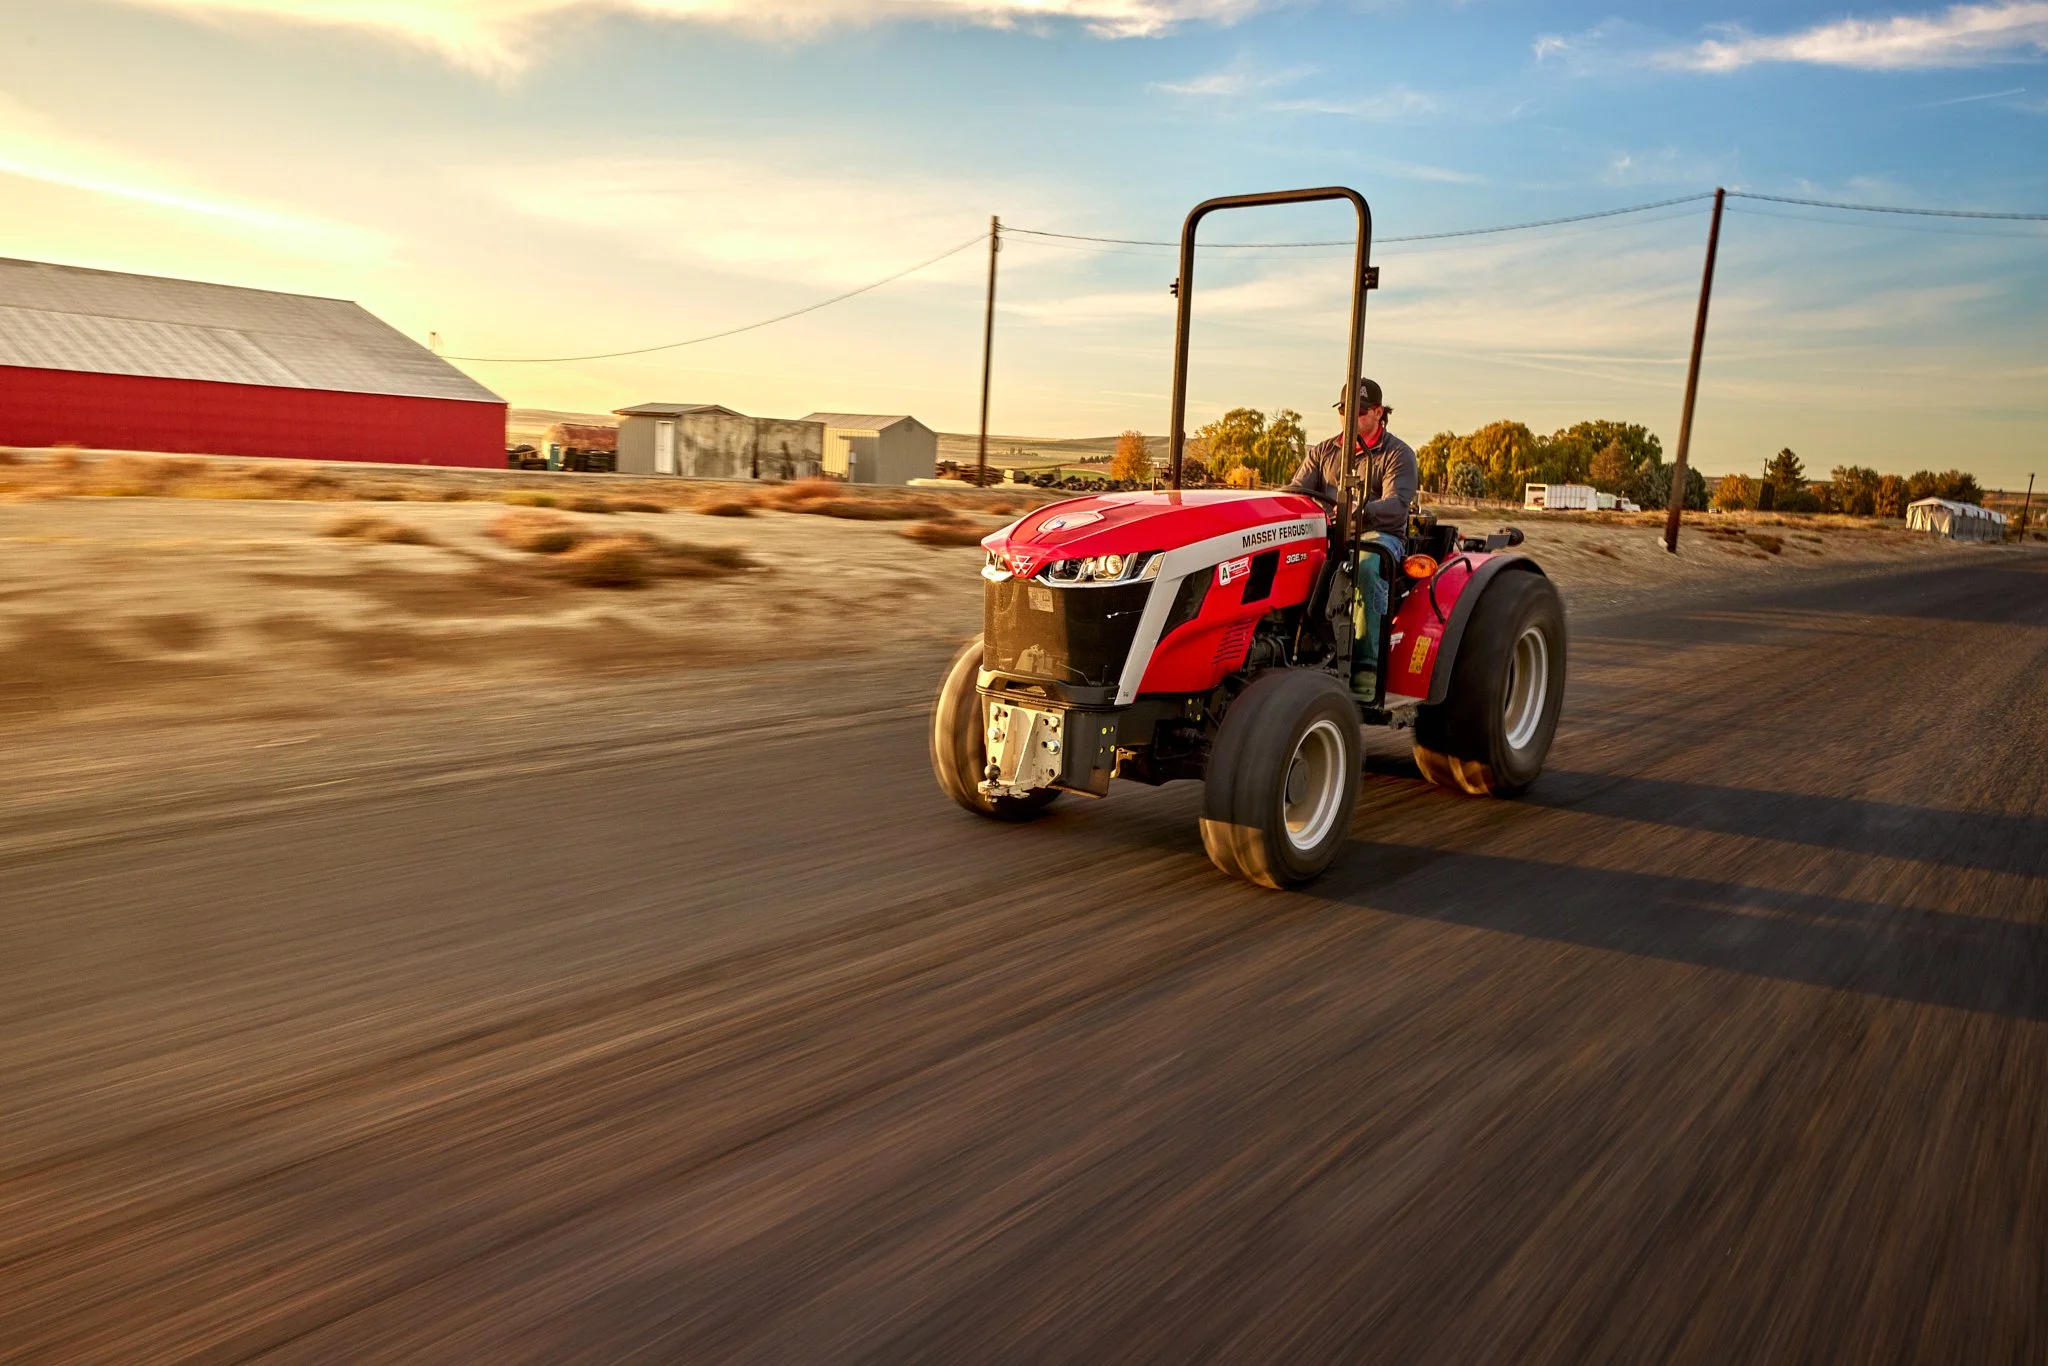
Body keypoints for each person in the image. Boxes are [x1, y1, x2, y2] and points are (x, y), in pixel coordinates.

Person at [1286, 378, 1419, 696]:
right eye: (1344, 410)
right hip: (1328, 531)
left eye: (1358, 411)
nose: (1349, 417)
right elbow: (1297, 490)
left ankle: (1365, 668)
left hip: (1380, 535)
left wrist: (1361, 512)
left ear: (1377, 412)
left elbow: (1397, 506)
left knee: (1365, 565)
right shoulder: (1323, 451)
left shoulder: (1398, 454)